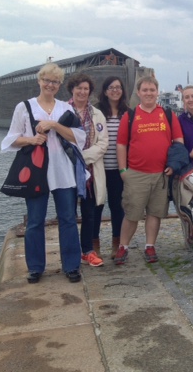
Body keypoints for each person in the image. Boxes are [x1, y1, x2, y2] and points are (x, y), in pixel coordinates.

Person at [1, 63, 86, 284]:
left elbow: (79, 137)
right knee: (35, 220)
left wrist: (54, 125)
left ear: (59, 85)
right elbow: (11, 139)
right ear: (39, 81)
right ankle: (36, 268)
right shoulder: (24, 107)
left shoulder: (65, 109)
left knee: (68, 218)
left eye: (55, 81)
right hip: (37, 171)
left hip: (62, 170)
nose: (50, 84)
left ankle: (71, 266)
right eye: (46, 80)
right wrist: (31, 139)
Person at [113, 76, 185, 265]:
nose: (148, 93)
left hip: (161, 174)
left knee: (155, 213)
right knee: (132, 214)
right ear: (138, 93)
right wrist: (123, 171)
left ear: (157, 92)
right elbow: (121, 145)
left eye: (152, 90)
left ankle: (150, 245)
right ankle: (123, 247)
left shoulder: (168, 115)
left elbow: (178, 143)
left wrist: (174, 165)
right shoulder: (129, 116)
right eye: (145, 90)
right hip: (136, 173)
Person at [67, 73, 107, 267]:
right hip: (67, 170)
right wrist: (72, 158)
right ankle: (71, 253)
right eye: (79, 88)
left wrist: (81, 157)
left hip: (90, 172)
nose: (82, 92)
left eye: (86, 89)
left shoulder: (97, 114)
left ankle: (88, 250)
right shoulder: (62, 111)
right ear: (72, 90)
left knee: (89, 213)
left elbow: (103, 143)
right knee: (68, 214)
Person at [94, 76, 129, 258]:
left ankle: (117, 243)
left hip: (119, 169)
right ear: (105, 91)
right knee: (96, 206)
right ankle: (94, 244)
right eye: (111, 87)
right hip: (99, 168)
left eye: (118, 87)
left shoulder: (128, 113)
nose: (115, 90)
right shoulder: (96, 112)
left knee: (117, 207)